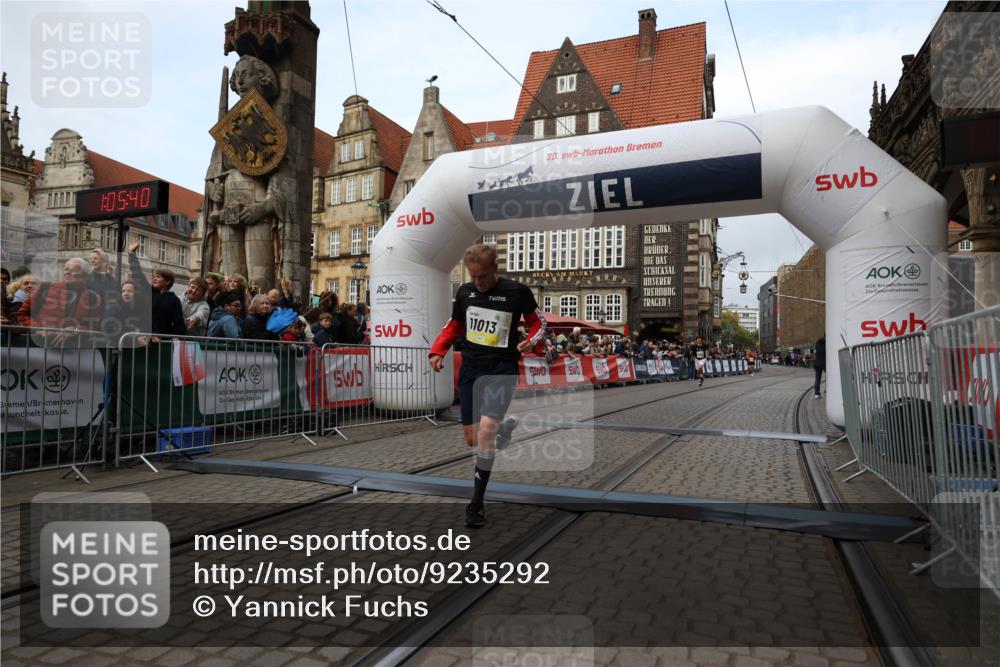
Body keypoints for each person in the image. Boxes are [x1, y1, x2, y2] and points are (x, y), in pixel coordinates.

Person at [429, 243, 546, 528]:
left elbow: (539, 323)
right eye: (474, 276)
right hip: (471, 370)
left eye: (483, 276)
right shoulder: (465, 293)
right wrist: (438, 350)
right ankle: (503, 430)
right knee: (472, 439)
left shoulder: (517, 292)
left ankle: (476, 503)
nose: (478, 282)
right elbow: (453, 325)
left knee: (484, 434)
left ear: (495, 268)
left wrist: (531, 340)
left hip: (501, 369)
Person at [14, 258, 102, 339]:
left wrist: (76, 330)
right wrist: (38, 328)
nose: (67, 272)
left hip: (73, 348)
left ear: (85, 276)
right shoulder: (44, 288)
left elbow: (93, 326)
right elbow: (22, 314)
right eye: (66, 269)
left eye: (74, 270)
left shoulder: (93, 298)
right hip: (40, 345)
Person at [126, 240, 185, 337]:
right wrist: (132, 254)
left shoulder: (174, 300)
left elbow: (179, 324)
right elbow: (138, 274)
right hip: (144, 337)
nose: (154, 279)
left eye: (158, 277)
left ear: (167, 281)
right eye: (153, 277)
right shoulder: (149, 291)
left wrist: (175, 338)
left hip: (162, 339)